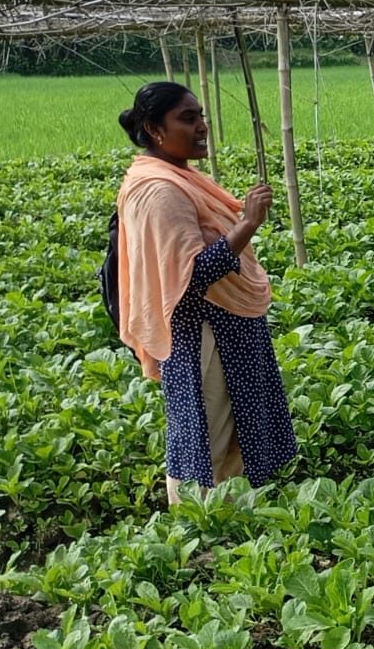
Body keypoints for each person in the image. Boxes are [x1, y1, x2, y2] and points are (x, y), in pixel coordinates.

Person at [115, 81, 297, 503]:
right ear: (154, 128)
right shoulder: (160, 190)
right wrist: (247, 224)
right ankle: (198, 533)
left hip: (225, 330)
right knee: (206, 436)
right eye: (187, 118)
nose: (202, 126)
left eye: (201, 116)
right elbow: (193, 274)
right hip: (202, 332)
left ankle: (229, 526)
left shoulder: (179, 177)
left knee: (231, 434)